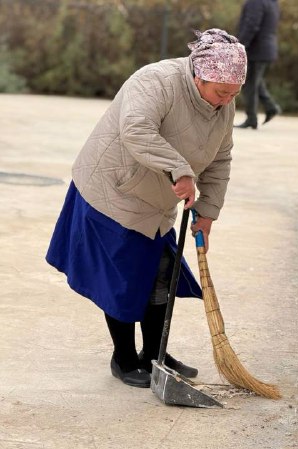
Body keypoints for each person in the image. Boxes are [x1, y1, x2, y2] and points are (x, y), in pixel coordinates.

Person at [45, 29, 246, 388]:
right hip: (113, 190)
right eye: (221, 92)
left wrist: (210, 210)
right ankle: (123, 358)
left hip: (156, 198)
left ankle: (154, 356)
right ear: (199, 75)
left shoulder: (223, 104)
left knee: (160, 275)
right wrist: (181, 170)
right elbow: (135, 129)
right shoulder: (156, 81)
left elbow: (221, 157)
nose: (226, 101)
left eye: (234, 93)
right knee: (122, 278)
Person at [236, 0, 281, 129]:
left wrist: (239, 46)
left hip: (256, 50)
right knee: (256, 82)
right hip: (266, 48)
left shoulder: (256, 1)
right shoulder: (272, 2)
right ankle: (271, 107)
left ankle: (251, 118)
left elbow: (251, 25)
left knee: (249, 84)